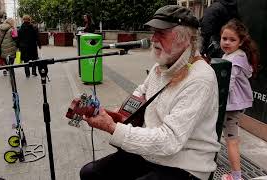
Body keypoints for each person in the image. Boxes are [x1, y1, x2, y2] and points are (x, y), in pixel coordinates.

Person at [80, 5, 221, 180]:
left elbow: (169, 141)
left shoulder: (201, 78)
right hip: (151, 152)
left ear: (184, 39)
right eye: (153, 32)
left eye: (161, 33)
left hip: (185, 164)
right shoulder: (161, 65)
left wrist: (112, 127)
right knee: (90, 173)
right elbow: (141, 93)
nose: (153, 38)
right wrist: (117, 113)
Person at [220, 19, 259, 180]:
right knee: (229, 139)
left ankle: (236, 177)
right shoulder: (234, 55)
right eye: (224, 38)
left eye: (232, 40)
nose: (227, 42)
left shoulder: (234, 60)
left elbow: (227, 84)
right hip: (231, 105)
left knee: (231, 141)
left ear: (241, 41)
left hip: (230, 105)